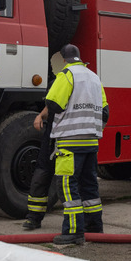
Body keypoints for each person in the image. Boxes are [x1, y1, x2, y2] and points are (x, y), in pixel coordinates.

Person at [35, 44, 108, 245]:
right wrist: (93, 129)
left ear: (64, 60)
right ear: (79, 57)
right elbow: (105, 112)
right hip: (91, 142)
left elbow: (54, 103)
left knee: (67, 187)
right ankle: (94, 228)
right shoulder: (94, 77)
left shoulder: (66, 75)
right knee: (90, 186)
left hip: (69, 142)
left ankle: (73, 231)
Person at [22, 52, 66, 230]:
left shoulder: (70, 81)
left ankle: (76, 222)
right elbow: (51, 105)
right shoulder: (58, 82)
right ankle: (33, 218)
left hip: (66, 138)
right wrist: (40, 115)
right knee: (41, 177)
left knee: (66, 182)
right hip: (52, 137)